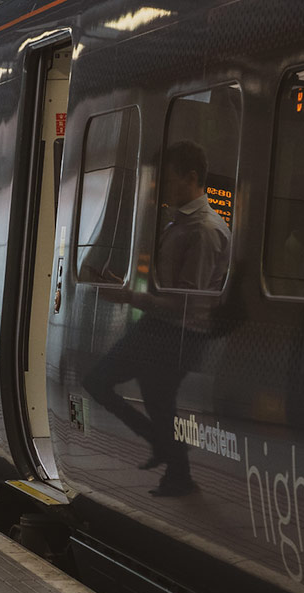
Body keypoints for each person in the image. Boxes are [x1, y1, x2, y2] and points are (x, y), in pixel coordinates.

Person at [84, 140, 230, 496]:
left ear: (191, 178)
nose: (160, 187)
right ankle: (176, 469)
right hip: (162, 328)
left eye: (167, 179)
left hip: (177, 333)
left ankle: (168, 451)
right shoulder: (183, 222)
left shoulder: (204, 230)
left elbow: (186, 302)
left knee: (100, 381)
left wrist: (128, 296)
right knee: (157, 400)